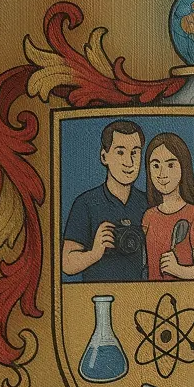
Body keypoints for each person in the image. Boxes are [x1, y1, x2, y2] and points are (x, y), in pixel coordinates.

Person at [61, 120, 147, 282]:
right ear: (104, 156)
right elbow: (66, 264)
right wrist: (94, 253)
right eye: (120, 152)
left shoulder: (147, 203)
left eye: (135, 152)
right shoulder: (86, 204)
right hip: (97, 294)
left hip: (140, 293)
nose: (129, 162)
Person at [141, 132, 194, 281]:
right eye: (156, 165)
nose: (162, 173)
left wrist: (177, 270)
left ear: (183, 167)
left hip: (184, 292)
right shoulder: (148, 216)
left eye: (170, 165)